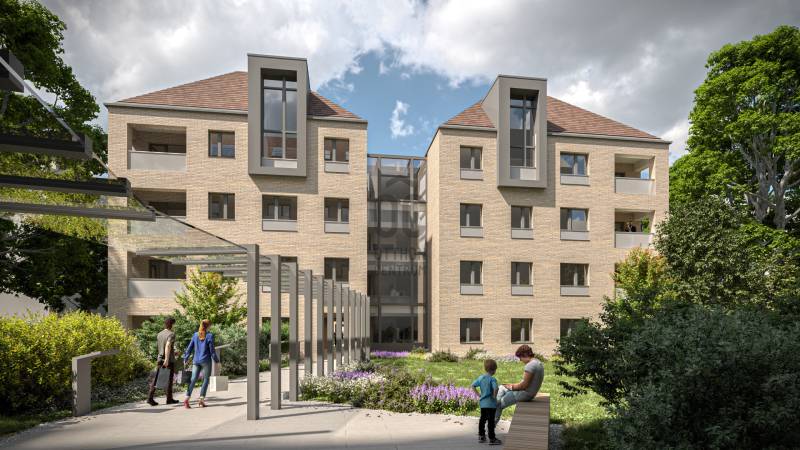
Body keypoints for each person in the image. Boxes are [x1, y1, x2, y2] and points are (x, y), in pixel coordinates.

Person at [495, 344, 544, 423]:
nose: (520, 360)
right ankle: (495, 402)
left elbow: (524, 386)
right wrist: (510, 385)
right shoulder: (538, 362)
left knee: (498, 405)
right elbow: (526, 383)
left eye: (520, 357)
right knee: (502, 387)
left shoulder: (530, 365)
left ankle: (491, 426)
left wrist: (511, 387)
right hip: (529, 392)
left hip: (524, 394)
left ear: (525, 354)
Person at [182, 319, 219, 408]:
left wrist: (185, 358)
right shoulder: (209, 335)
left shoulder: (195, 335)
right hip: (206, 361)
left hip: (196, 361)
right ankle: (201, 400)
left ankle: (187, 398)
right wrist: (217, 361)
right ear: (208, 326)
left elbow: (189, 348)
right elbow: (212, 351)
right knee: (205, 380)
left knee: (193, 379)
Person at [147, 317, 180, 406]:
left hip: (159, 358)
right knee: (169, 380)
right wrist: (167, 359)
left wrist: (172, 353)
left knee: (156, 379)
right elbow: (168, 346)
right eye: (174, 324)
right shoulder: (171, 334)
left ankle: (150, 398)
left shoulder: (159, 334)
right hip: (168, 360)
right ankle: (169, 399)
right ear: (172, 324)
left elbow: (162, 347)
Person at [471, 359, 502, 445]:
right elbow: (496, 388)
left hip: (483, 404)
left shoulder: (481, 378)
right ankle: (492, 438)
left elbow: (473, 385)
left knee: (482, 419)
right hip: (491, 404)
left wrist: (478, 394)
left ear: (485, 369)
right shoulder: (492, 379)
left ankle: (481, 436)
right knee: (491, 421)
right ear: (493, 370)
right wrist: (494, 397)